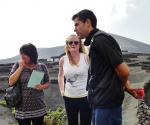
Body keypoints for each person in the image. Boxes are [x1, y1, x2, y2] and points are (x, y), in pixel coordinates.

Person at [72, 9, 140, 125]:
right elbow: (108, 73)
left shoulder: (101, 39)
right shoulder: (95, 41)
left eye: (77, 24)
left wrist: (123, 85)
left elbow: (124, 72)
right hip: (100, 102)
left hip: (106, 104)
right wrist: (127, 88)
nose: (74, 29)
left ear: (88, 22)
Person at [8, 43, 50, 125]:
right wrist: (20, 67)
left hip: (38, 107)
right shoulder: (17, 65)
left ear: (32, 54)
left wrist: (42, 86)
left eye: (25, 54)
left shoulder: (42, 67)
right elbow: (10, 82)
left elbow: (48, 82)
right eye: (21, 54)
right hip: (22, 109)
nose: (22, 56)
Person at [58, 35, 92, 125]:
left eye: (76, 42)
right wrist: (62, 90)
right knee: (72, 123)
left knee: (86, 122)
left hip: (85, 97)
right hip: (69, 98)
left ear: (80, 45)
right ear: (67, 45)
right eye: (70, 42)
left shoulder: (86, 57)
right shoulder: (63, 60)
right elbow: (60, 75)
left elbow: (93, 74)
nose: (73, 44)